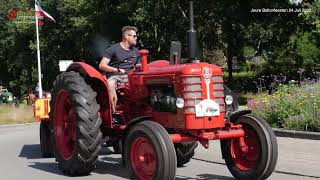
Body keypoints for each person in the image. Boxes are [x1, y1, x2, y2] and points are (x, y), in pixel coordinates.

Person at [99, 26, 140, 113]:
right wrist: (116, 70)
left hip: (130, 76)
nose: (136, 38)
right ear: (126, 36)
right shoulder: (113, 49)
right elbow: (102, 65)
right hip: (115, 75)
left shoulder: (136, 51)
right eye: (134, 36)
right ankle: (113, 111)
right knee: (110, 84)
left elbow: (139, 66)